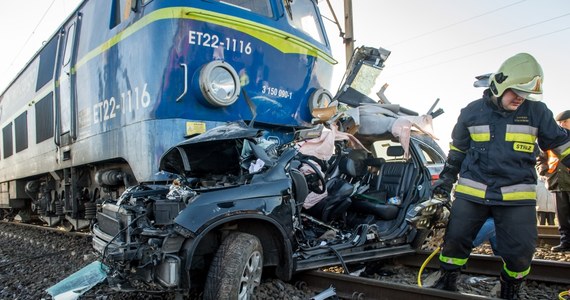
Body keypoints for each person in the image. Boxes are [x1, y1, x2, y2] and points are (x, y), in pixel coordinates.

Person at [430, 53, 570, 299]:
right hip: (472, 193)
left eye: (525, 94)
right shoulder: (471, 112)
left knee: (521, 251)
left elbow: (562, 145)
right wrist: (445, 182)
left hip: (516, 196)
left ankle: (510, 290)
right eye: (516, 91)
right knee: (455, 241)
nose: (520, 98)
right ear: (499, 85)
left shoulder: (537, 112)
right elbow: (457, 151)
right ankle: (447, 281)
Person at [537, 110, 570, 252]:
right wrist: (544, 172)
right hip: (556, 182)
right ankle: (566, 243)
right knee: (562, 216)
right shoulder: (552, 139)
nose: (562, 124)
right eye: (560, 122)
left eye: (565, 121)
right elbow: (541, 159)